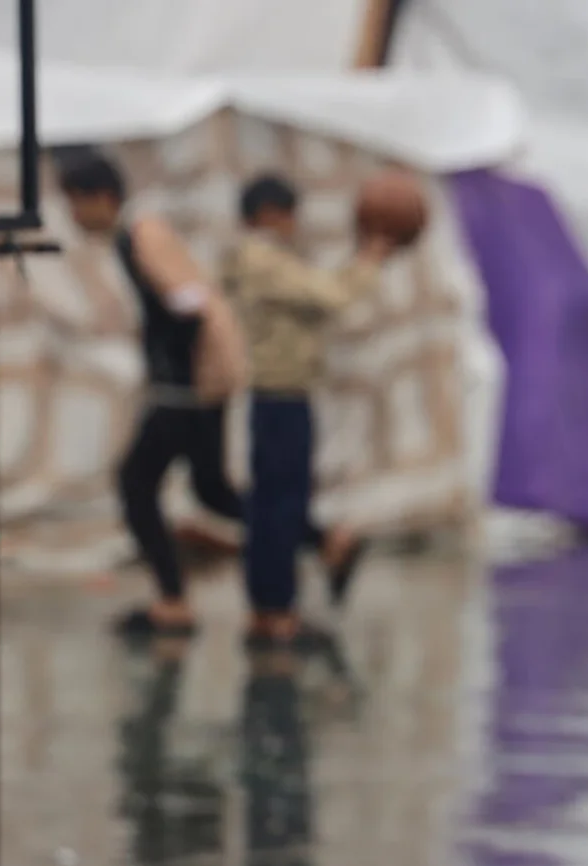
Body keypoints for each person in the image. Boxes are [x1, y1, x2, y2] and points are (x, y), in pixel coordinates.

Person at [58, 152, 251, 638]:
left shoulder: (140, 236)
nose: (74, 216)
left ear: (101, 198)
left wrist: (179, 379)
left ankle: (173, 599)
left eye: (76, 202)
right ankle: (318, 536)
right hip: (189, 388)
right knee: (213, 490)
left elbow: (188, 302)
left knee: (137, 483)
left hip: (184, 391)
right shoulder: (136, 236)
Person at [222, 174, 398, 647]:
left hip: (282, 395)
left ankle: (272, 604)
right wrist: (370, 260)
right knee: (278, 506)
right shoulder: (260, 257)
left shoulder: (265, 260)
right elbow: (330, 294)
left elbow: (319, 295)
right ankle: (278, 605)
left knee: (273, 505)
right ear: (269, 214)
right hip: (280, 396)